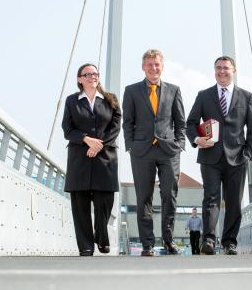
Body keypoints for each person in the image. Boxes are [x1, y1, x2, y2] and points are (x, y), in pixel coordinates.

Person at [186, 56, 252, 255]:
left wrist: (247, 154)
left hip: (237, 158)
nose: (221, 71)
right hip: (210, 156)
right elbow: (190, 123)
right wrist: (196, 139)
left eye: (225, 68)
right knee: (211, 198)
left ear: (233, 70)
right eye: (218, 68)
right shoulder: (204, 95)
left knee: (234, 201)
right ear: (214, 70)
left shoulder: (247, 97)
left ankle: (229, 242)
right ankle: (208, 240)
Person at [122, 49, 186, 256]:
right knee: (144, 197)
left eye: (157, 64)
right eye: (150, 65)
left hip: (168, 150)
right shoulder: (131, 91)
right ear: (143, 67)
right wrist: (130, 145)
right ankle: (147, 244)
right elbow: (128, 122)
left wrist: (179, 144)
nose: (153, 68)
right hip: (141, 151)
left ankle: (169, 241)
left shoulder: (174, 90)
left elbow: (180, 122)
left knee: (169, 195)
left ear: (162, 66)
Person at [62, 63, 121, 256]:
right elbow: (68, 129)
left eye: (94, 73)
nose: (91, 77)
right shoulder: (72, 101)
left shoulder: (111, 100)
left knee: (105, 202)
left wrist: (98, 145)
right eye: (87, 74)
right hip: (80, 158)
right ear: (80, 79)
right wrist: (86, 140)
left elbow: (115, 127)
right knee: (80, 207)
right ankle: (86, 246)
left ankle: (102, 237)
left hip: (105, 158)